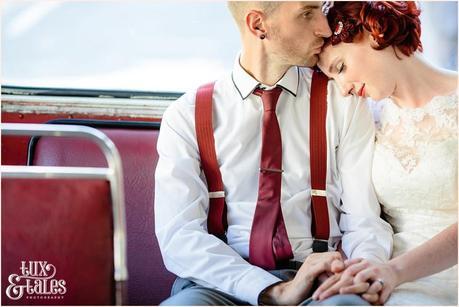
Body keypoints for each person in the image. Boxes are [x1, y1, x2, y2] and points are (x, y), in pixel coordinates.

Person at [155, 2, 393, 305]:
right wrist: (270, 290)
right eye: (307, 14)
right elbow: (180, 237)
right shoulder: (187, 116)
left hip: (322, 284)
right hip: (220, 286)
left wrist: (362, 270)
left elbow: (363, 218)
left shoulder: (342, 100)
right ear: (258, 26)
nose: (325, 27)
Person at [313, 1, 458, 305]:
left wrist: (394, 271)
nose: (343, 88)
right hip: (387, 279)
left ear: (372, 32)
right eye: (333, 78)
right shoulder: (367, 119)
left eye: (340, 67)